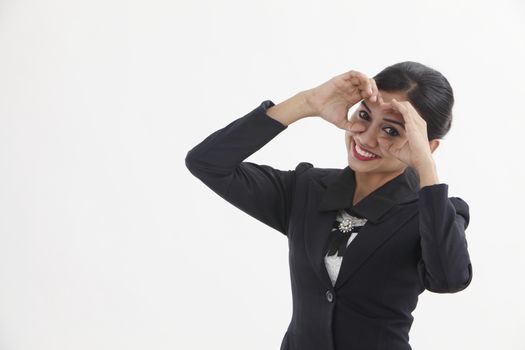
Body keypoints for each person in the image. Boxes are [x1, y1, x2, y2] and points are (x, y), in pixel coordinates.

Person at [185, 61, 473, 350]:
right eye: (364, 115)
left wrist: (426, 168)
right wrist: (305, 103)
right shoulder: (307, 188)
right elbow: (207, 163)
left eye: (392, 131)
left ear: (427, 145)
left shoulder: (435, 213)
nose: (366, 137)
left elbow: (448, 279)